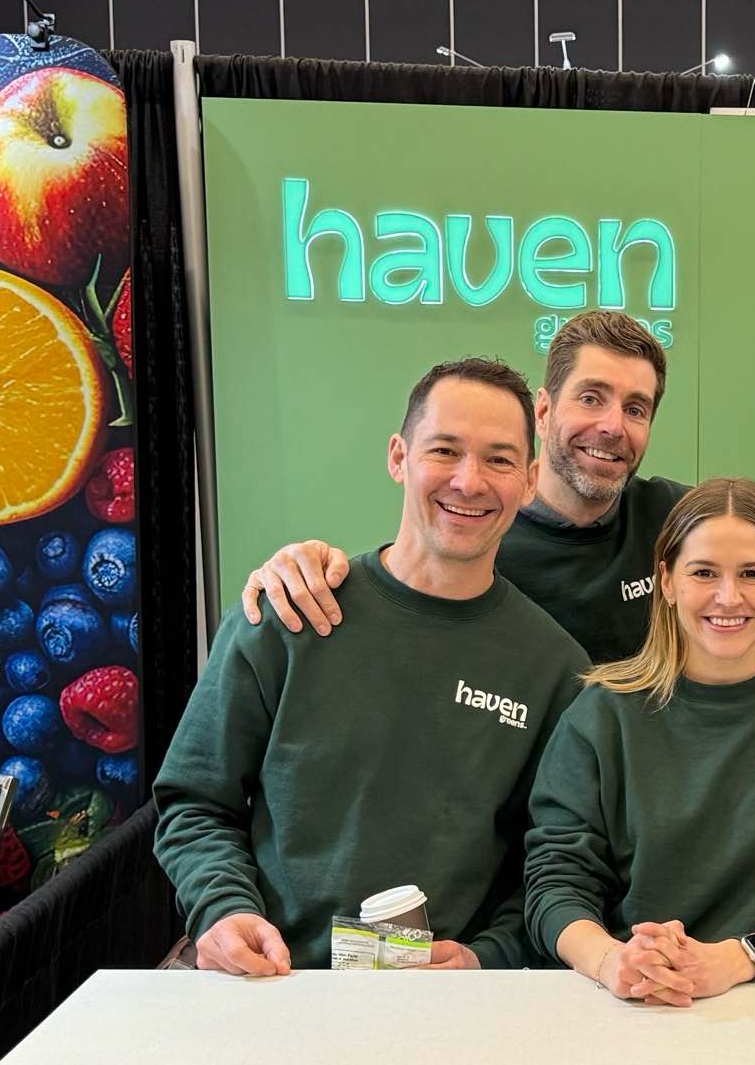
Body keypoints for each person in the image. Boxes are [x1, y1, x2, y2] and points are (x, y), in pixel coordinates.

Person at [151, 358, 587, 974]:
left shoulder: (554, 669)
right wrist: (222, 910)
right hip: (272, 981)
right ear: (398, 457)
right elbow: (194, 801)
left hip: (446, 1002)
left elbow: (551, 864)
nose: (469, 481)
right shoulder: (289, 613)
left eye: (499, 459)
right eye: (444, 450)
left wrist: (487, 957)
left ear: (531, 480)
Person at [240, 326, 755, 666]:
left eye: (635, 407)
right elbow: (408, 574)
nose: (612, 426)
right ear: (543, 410)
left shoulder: (672, 517)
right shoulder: (482, 533)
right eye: (591, 397)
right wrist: (306, 565)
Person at [525, 476, 755, 1002]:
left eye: (752, 573)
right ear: (667, 582)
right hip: (628, 1001)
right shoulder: (601, 715)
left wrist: (739, 959)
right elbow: (556, 881)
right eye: (703, 573)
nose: (728, 597)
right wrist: (614, 961)